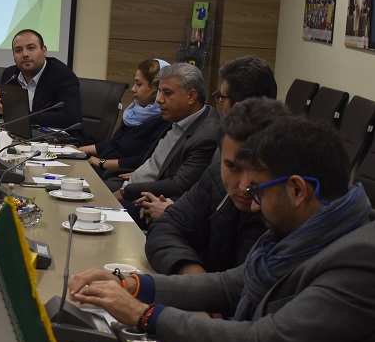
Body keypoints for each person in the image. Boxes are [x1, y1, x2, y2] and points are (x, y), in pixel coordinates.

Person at [69, 116, 375, 342]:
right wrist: (132, 284)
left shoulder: (361, 258)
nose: (253, 205)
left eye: (258, 191)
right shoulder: (307, 230)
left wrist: (142, 314)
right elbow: (230, 285)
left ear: (297, 190)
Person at [144, 98, 292, 275]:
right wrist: (189, 268)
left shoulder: (291, 212)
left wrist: (199, 284)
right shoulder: (214, 177)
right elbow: (166, 226)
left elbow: (242, 285)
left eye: (258, 169)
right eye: (233, 167)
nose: (244, 186)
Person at [137, 55, 278, 221]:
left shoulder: (254, 155)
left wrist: (171, 212)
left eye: (222, 98)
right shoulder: (225, 144)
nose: (221, 106)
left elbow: (215, 222)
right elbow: (200, 195)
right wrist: (172, 209)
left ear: (241, 105)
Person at [107, 62, 219, 199]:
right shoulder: (178, 116)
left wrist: (126, 192)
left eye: (167, 93)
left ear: (191, 96)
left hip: (147, 198)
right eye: (159, 92)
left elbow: (178, 186)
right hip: (132, 184)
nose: (159, 99)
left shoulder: (205, 136)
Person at [80, 58, 170, 174]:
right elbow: (116, 143)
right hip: (101, 166)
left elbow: (143, 160)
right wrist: (80, 150)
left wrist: (102, 163)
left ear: (155, 88)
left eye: (139, 84)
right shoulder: (133, 113)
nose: (133, 89)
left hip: (114, 174)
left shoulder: (164, 122)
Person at [0, 29, 82, 131]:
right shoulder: (10, 74)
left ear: (44, 50)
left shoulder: (62, 76)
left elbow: (71, 118)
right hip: (18, 134)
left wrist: (20, 116)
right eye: (18, 50)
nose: (25, 54)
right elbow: (0, 108)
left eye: (31, 48)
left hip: (55, 137)